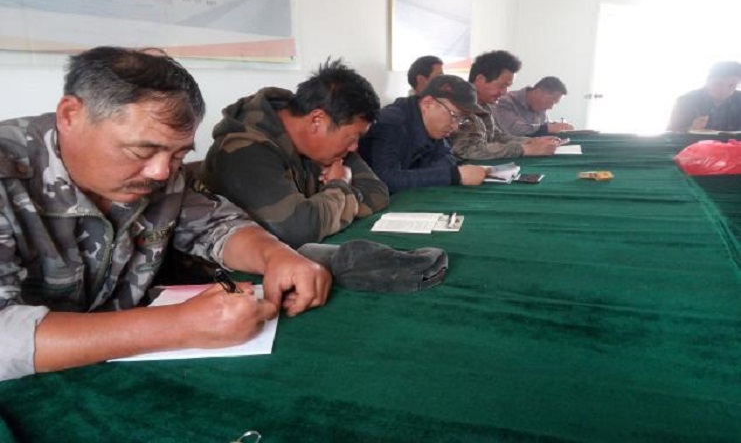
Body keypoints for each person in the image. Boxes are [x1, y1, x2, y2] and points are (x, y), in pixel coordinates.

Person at [0, 46, 331, 382]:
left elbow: (216, 225)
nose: (161, 172)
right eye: (141, 150)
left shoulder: (159, 173)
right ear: (71, 115)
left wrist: (275, 255)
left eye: (178, 155)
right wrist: (180, 326)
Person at [197, 60, 389, 249]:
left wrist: (325, 209)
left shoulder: (326, 144)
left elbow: (377, 192)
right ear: (317, 120)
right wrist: (340, 184)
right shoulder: (245, 149)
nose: (354, 147)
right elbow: (299, 230)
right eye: (353, 137)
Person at [358, 74, 488, 194]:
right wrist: (455, 175)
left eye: (462, 119)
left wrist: (424, 174)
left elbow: (446, 159)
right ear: (428, 104)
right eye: (454, 115)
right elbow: (387, 180)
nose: (455, 126)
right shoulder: (392, 123)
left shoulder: (433, 126)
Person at [447, 50, 561, 160]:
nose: (504, 92)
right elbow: (469, 150)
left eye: (507, 87)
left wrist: (532, 141)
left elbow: (496, 137)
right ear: (480, 79)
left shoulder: (484, 106)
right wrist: (524, 149)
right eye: (502, 86)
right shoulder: (458, 106)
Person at [667, 61, 741, 133]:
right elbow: (670, 135)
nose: (724, 90)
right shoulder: (686, 101)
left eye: (732, 85)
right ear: (708, 80)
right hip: (694, 141)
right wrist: (691, 129)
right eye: (718, 84)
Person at [493, 76, 574, 136]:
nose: (551, 107)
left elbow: (541, 127)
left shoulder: (540, 108)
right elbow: (513, 129)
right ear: (538, 92)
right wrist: (547, 128)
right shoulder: (505, 101)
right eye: (551, 102)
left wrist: (556, 126)